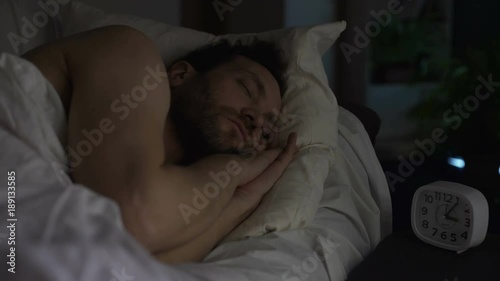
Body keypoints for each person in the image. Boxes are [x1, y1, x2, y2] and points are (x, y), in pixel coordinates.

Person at [22, 25, 298, 263]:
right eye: (247, 89)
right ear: (180, 75)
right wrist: (234, 171)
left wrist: (243, 199)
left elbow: (121, 261)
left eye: (266, 133)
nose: (256, 121)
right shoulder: (130, 52)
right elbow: (136, 216)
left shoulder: (173, 212)